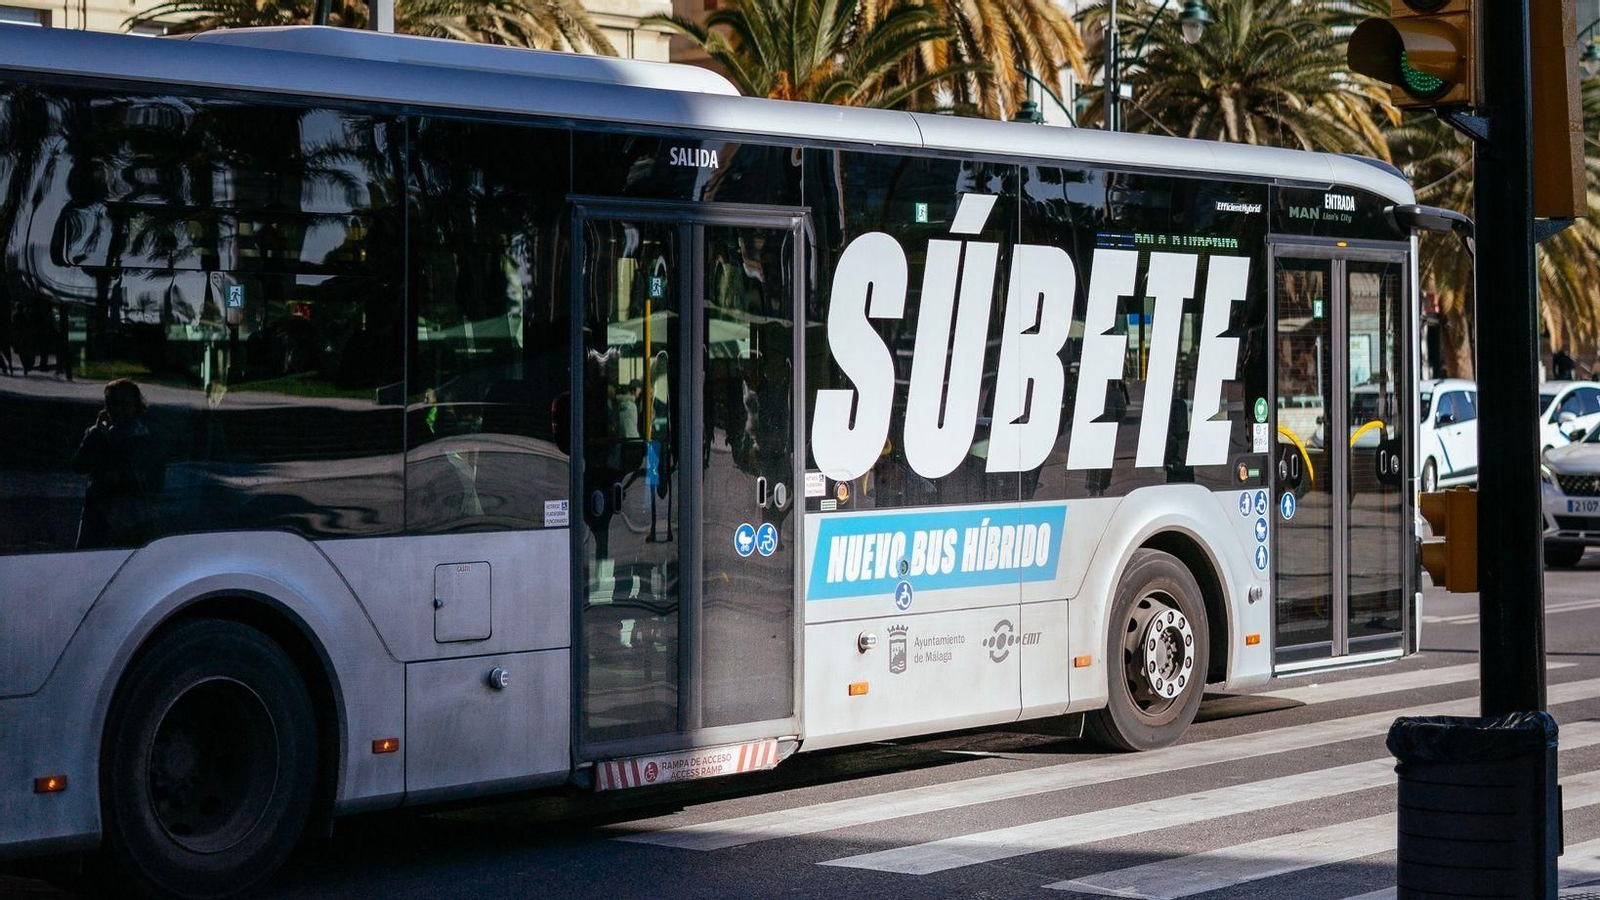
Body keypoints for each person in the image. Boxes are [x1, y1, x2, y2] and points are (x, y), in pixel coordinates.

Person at [73, 379, 165, 549]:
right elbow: (79, 465)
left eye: (125, 404)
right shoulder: (99, 433)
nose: (119, 410)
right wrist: (97, 434)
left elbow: (154, 479)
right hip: (98, 514)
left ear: (136, 407)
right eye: (113, 404)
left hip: (132, 517)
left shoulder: (144, 438)